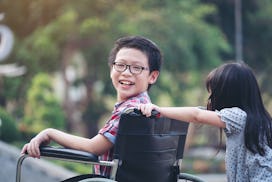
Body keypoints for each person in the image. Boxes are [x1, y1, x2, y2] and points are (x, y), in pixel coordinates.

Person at [21, 35, 162, 178]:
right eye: (120, 65)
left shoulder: (132, 110)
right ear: (111, 69)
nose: (126, 72)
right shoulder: (146, 106)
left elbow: (93, 148)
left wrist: (50, 133)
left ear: (152, 76)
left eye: (136, 68)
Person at [139, 62, 272, 182]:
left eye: (214, 92)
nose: (211, 98)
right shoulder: (255, 119)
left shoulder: (239, 116)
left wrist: (159, 110)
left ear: (228, 94)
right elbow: (198, 112)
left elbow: (197, 115)